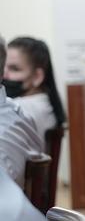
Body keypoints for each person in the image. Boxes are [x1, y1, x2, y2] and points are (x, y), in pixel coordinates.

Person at [0, 36, 44, 187]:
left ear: (38, 76)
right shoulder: (16, 109)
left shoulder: (24, 108)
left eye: (15, 69)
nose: (8, 75)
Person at [3, 37, 67, 143]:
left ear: (37, 76)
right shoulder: (45, 103)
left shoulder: (20, 109)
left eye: (14, 69)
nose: (3, 75)